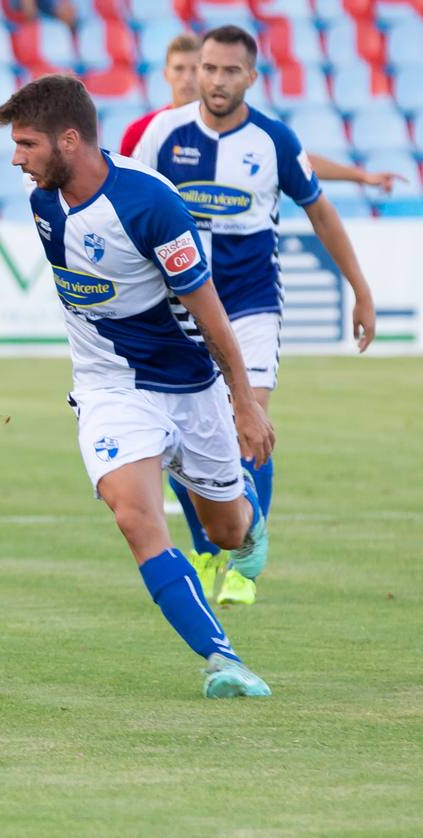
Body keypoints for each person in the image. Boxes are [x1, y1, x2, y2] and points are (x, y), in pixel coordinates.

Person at [0, 73, 274, 698]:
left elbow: (208, 308)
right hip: (108, 388)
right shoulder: (43, 200)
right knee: (134, 514)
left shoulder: (152, 205)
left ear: (70, 140)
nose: (17, 158)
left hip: (189, 386)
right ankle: (221, 658)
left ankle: (245, 509)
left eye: (27, 144)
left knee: (229, 532)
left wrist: (244, 401)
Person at [130, 26, 376, 606]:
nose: (214, 80)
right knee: (178, 433)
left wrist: (360, 292)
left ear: (251, 77)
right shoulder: (162, 133)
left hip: (249, 304)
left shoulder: (273, 141)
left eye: (228, 71)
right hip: (177, 311)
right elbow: (127, 204)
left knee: (249, 419)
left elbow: (321, 214)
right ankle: (206, 545)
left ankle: (246, 560)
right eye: (208, 68)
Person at [119, 33, 404, 192]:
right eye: (180, 69)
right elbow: (127, 191)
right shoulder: (143, 131)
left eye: (197, 68)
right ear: (166, 73)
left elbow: (296, 160)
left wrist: (361, 176)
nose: (188, 78)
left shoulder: (237, 125)